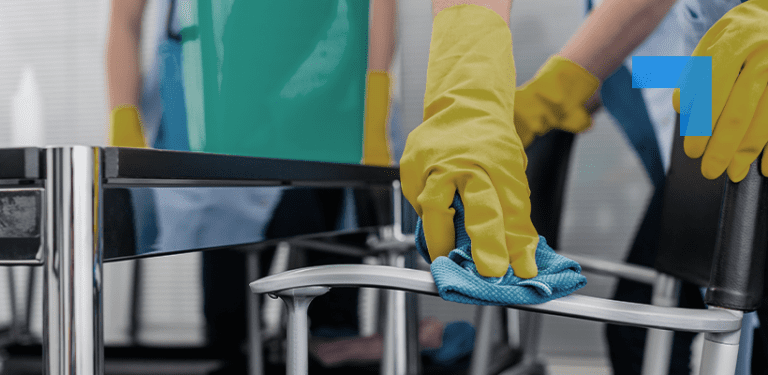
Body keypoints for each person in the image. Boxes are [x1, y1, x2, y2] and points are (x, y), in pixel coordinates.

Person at [401, 0, 767, 374]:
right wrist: (496, 97)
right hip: (719, 122)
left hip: (748, 117)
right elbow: (662, 61)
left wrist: (556, 89)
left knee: (658, 330)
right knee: (639, 332)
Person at [107, 0, 399, 372]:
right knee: (229, 331)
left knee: (331, 327)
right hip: (214, 134)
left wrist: (373, 108)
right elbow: (124, 18)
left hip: (319, 116)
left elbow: (378, 7)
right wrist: (124, 119)